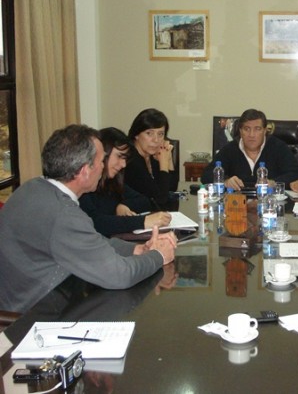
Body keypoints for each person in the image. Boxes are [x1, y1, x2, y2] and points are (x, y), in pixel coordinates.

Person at [0, 124, 177, 313]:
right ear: (85, 171)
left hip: (35, 300)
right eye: (102, 161)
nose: (103, 167)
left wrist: (138, 249)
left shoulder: (33, 187)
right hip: (31, 319)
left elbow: (92, 240)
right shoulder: (63, 214)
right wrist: (158, 256)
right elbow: (120, 276)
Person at [79, 127, 172, 237]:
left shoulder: (112, 182)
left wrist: (122, 205)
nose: (123, 164)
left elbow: (144, 201)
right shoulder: (85, 186)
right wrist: (142, 222)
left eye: (125, 159)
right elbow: (95, 222)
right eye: (119, 156)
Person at [201, 109, 298, 190]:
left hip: (271, 204)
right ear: (240, 131)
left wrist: (273, 183)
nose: (251, 135)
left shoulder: (278, 147)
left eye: (257, 129)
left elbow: (296, 176)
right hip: (238, 207)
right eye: (247, 129)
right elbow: (206, 175)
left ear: (265, 130)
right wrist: (225, 181)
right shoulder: (230, 149)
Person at [125, 108, 177, 210]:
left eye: (160, 134)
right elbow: (160, 199)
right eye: (149, 133)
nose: (156, 140)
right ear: (136, 134)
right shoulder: (130, 161)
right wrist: (163, 163)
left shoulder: (151, 156)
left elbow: (171, 190)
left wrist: (168, 159)